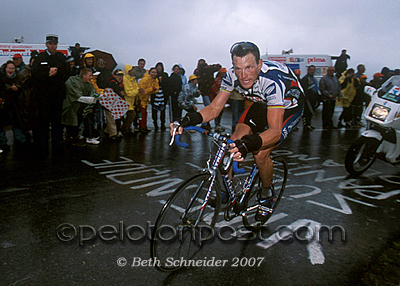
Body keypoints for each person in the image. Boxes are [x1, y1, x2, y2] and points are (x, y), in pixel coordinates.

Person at [171, 41, 304, 221]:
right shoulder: (231, 75)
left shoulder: (271, 80)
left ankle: (266, 194)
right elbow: (214, 109)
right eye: (238, 68)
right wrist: (185, 120)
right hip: (262, 103)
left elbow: (274, 132)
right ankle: (226, 190)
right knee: (233, 141)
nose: (243, 75)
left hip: (288, 107)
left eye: (249, 67)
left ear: (260, 65)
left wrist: (248, 144)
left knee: (260, 153)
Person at [31, 34, 69, 154]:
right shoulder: (40, 57)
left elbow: (67, 72)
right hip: (44, 95)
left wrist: (57, 72)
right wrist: (48, 73)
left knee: (57, 120)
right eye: (50, 44)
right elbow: (35, 74)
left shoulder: (61, 57)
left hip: (57, 94)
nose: (52, 46)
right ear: (46, 44)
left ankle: (56, 142)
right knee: (44, 120)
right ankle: (43, 144)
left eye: (54, 44)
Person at [61, 68, 99, 146]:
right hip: (70, 106)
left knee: (77, 122)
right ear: (83, 75)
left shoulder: (88, 83)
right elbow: (77, 96)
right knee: (70, 123)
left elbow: (93, 93)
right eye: (90, 75)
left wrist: (98, 97)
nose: (91, 77)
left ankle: (74, 139)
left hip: (80, 108)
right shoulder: (73, 81)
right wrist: (91, 99)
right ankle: (69, 140)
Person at [0, 61, 26, 151]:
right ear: (5, 69)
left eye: (12, 68)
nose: (10, 70)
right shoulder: (1, 78)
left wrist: (17, 88)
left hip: (15, 105)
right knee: (2, 124)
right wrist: (9, 88)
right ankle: (2, 142)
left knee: (17, 122)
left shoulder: (18, 78)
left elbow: (21, 87)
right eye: (9, 68)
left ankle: (20, 139)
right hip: (4, 105)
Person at [195, 59, 222, 130]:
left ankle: (206, 123)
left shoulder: (207, 69)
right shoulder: (199, 70)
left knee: (209, 106)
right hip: (205, 91)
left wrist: (209, 67)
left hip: (210, 91)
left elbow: (219, 66)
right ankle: (205, 123)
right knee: (208, 106)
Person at [104, 69, 125, 140]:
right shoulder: (111, 83)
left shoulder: (119, 84)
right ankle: (113, 134)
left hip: (115, 105)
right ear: (114, 75)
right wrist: (120, 93)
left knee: (114, 120)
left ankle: (107, 131)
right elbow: (110, 95)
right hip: (110, 105)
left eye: (121, 76)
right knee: (112, 120)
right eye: (118, 75)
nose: (120, 77)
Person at [138, 68, 159, 133]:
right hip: (140, 99)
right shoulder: (145, 79)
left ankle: (143, 127)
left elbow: (156, 90)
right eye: (152, 72)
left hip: (146, 99)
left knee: (144, 114)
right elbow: (142, 91)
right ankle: (142, 127)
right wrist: (151, 89)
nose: (154, 74)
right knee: (142, 114)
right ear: (149, 72)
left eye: (155, 72)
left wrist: (153, 89)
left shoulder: (155, 80)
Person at [121, 64, 139, 134]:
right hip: (127, 100)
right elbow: (128, 93)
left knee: (131, 115)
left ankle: (125, 127)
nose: (133, 71)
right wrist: (137, 91)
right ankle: (125, 128)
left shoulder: (133, 78)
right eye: (132, 70)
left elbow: (136, 88)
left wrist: (136, 91)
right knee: (132, 114)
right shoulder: (125, 79)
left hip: (132, 101)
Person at [300, 65, 319, 130]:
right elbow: (304, 89)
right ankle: (306, 125)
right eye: (311, 69)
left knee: (311, 112)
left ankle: (309, 124)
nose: (312, 71)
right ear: (308, 70)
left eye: (313, 70)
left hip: (313, 98)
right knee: (306, 113)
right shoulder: (305, 78)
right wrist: (306, 98)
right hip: (307, 99)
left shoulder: (314, 78)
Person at [209, 67, 227, 132]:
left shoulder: (223, 80)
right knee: (217, 112)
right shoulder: (217, 80)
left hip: (220, 98)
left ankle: (218, 124)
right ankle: (217, 125)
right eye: (223, 73)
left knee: (221, 111)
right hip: (216, 98)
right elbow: (215, 89)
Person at [152, 62, 169, 130]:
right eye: (158, 66)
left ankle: (162, 124)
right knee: (154, 110)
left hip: (162, 94)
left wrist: (162, 81)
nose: (159, 68)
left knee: (163, 111)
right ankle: (155, 124)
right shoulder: (153, 75)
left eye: (160, 66)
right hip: (155, 95)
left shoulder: (165, 75)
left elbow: (167, 85)